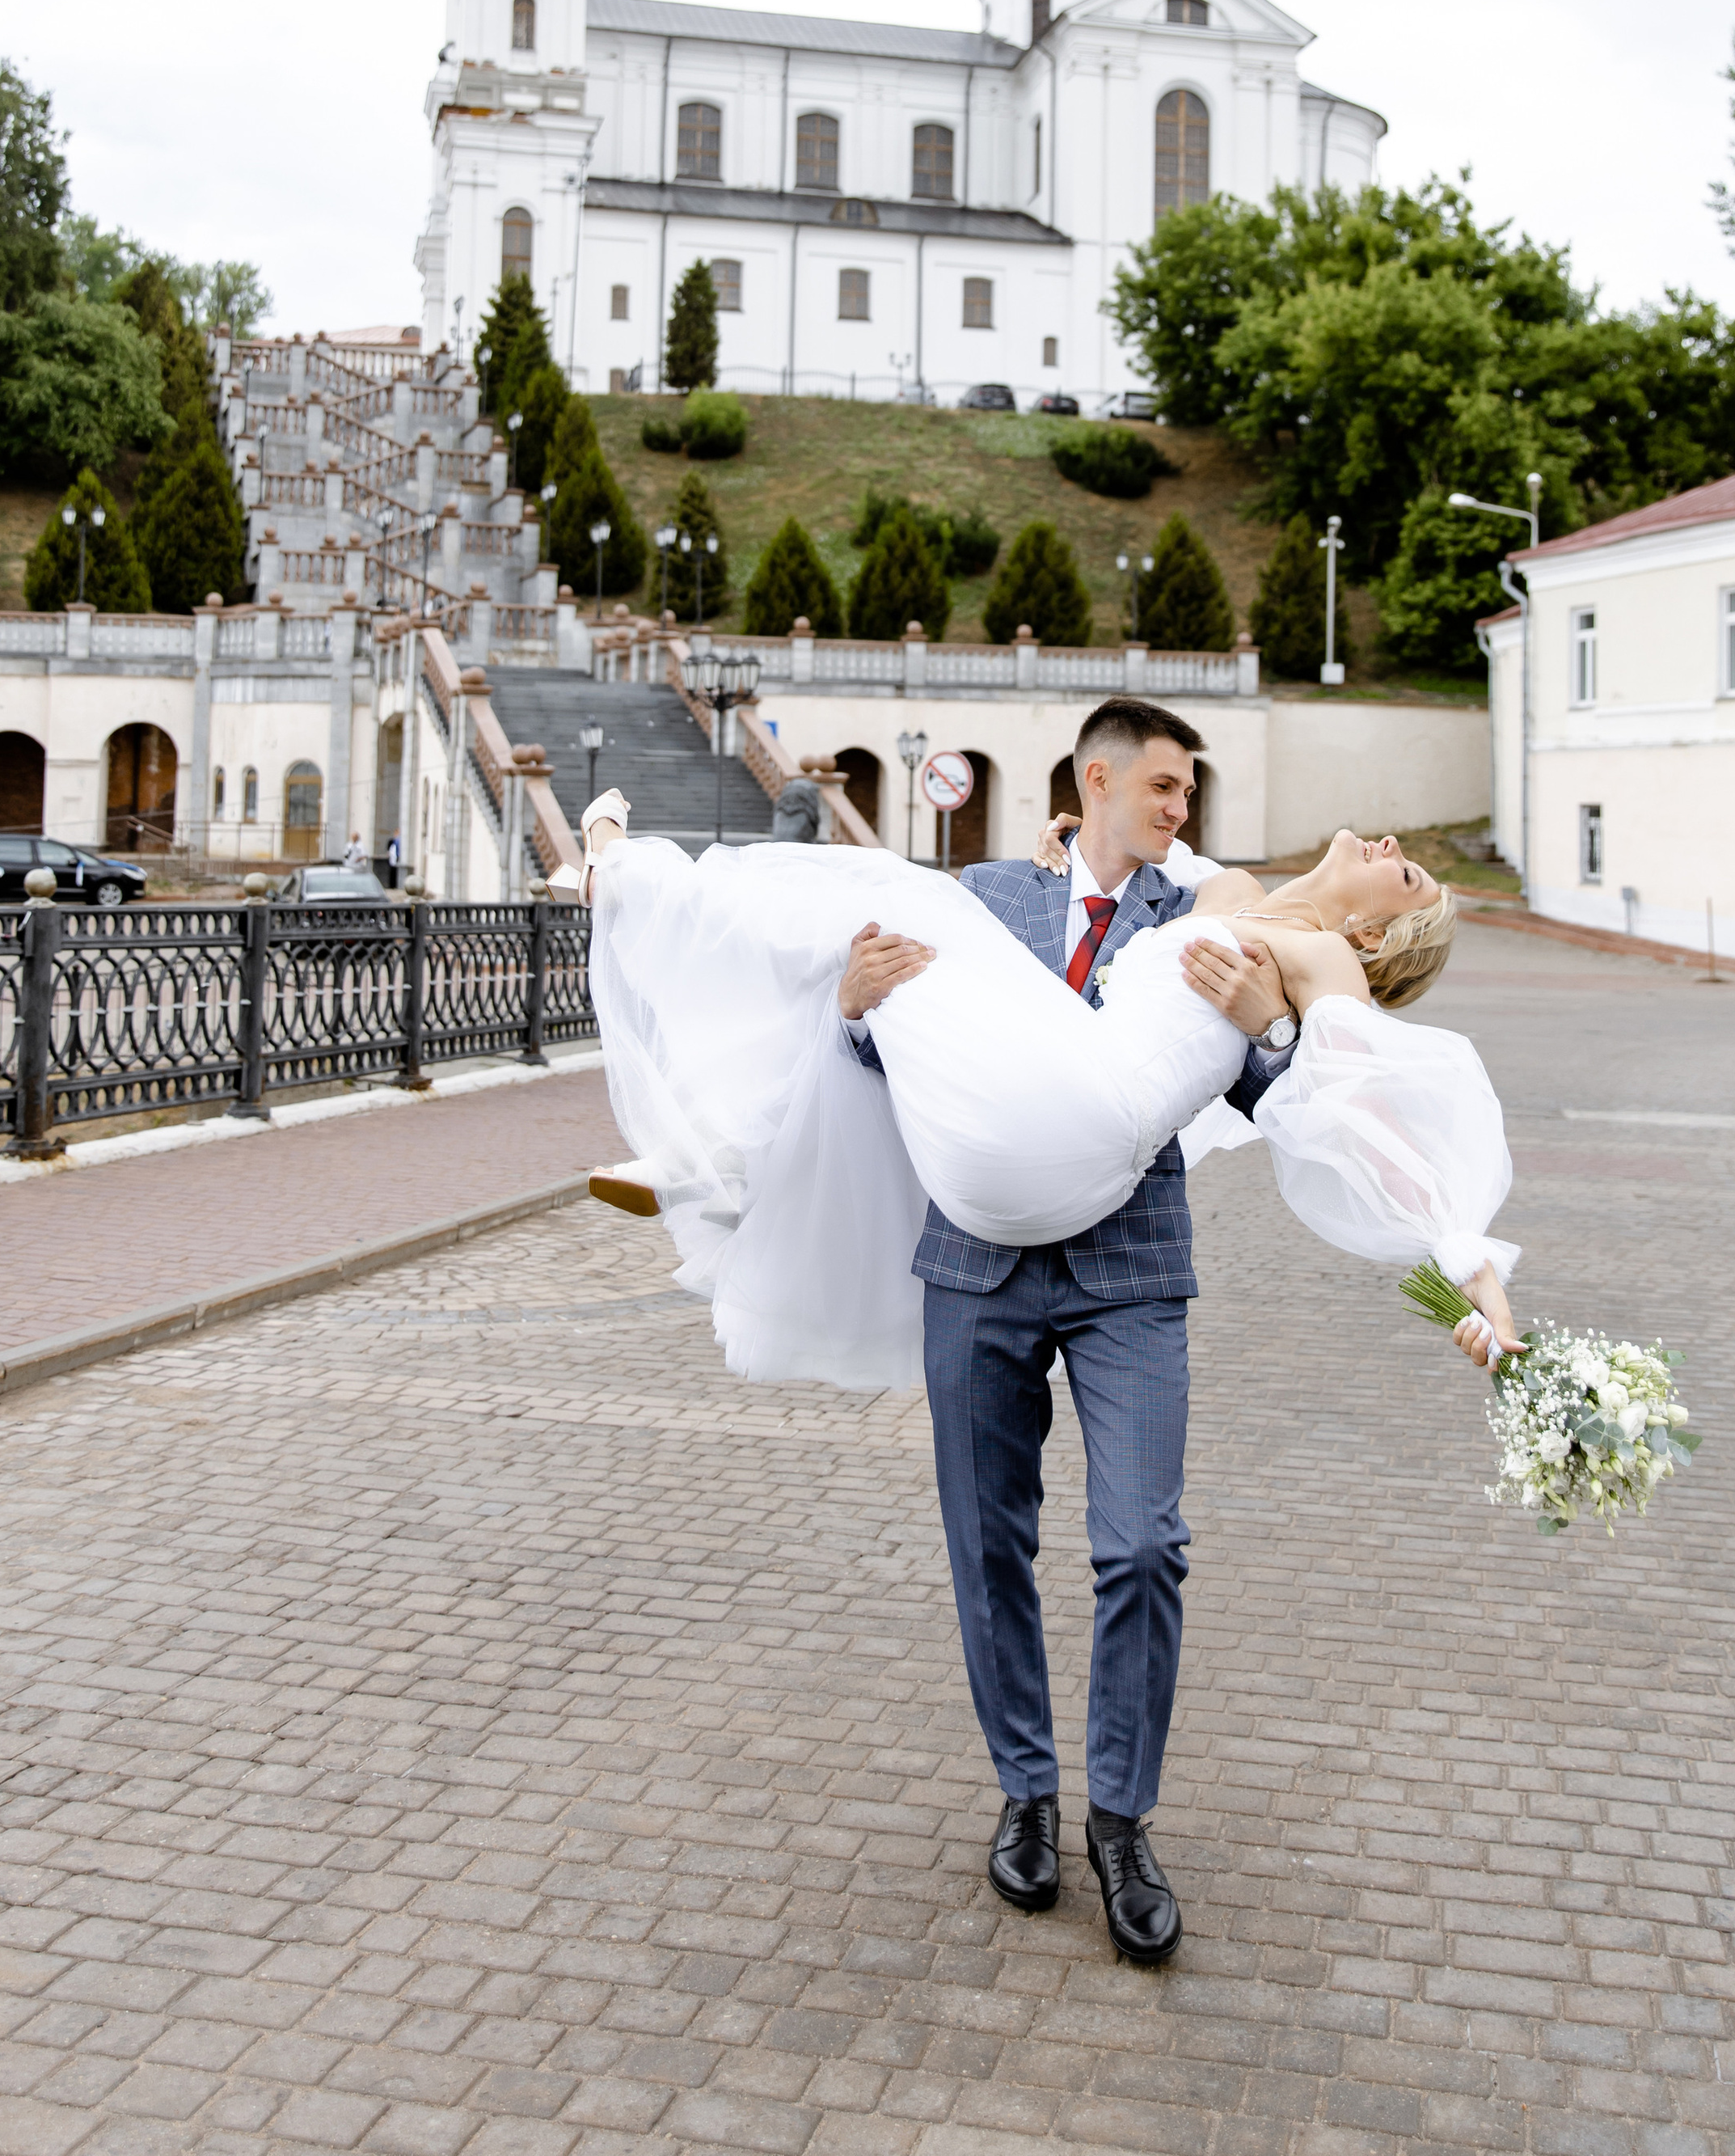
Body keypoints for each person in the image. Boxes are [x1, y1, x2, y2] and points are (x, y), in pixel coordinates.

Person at [578, 700, 1518, 1966]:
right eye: (1168, 788)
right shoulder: (996, 894)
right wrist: (855, 1010)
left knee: (1142, 1545)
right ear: (1100, 781)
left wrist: (1277, 1031)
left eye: (1190, 795)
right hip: (978, 1262)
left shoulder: (1216, 918)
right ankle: (1025, 1791)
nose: (1183, 810)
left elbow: (1321, 1095)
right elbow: (888, 1051)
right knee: (989, 1543)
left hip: (1127, 1266)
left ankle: (1120, 1823)